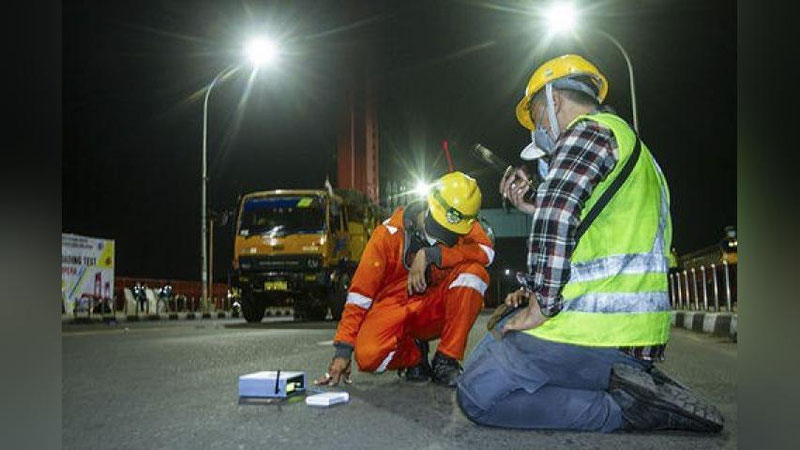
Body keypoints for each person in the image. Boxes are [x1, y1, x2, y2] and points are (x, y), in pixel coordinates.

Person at [455, 54, 724, 432]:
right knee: (499, 343)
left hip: (598, 333)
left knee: (477, 392)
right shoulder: (639, 154)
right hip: (636, 336)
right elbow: (590, 227)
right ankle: (634, 386)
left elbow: (560, 215)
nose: (538, 128)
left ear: (555, 100)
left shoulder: (587, 131)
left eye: (537, 115)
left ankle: (625, 410)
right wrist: (536, 205)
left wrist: (540, 304)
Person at [315, 172, 493, 387]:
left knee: (475, 274)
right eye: (439, 229)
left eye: (449, 233)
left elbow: (486, 252)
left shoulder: (463, 221)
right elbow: (359, 296)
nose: (443, 236)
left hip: (434, 307)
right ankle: (414, 355)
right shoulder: (387, 236)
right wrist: (343, 351)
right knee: (368, 356)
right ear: (429, 205)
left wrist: (435, 254)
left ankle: (446, 360)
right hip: (395, 306)